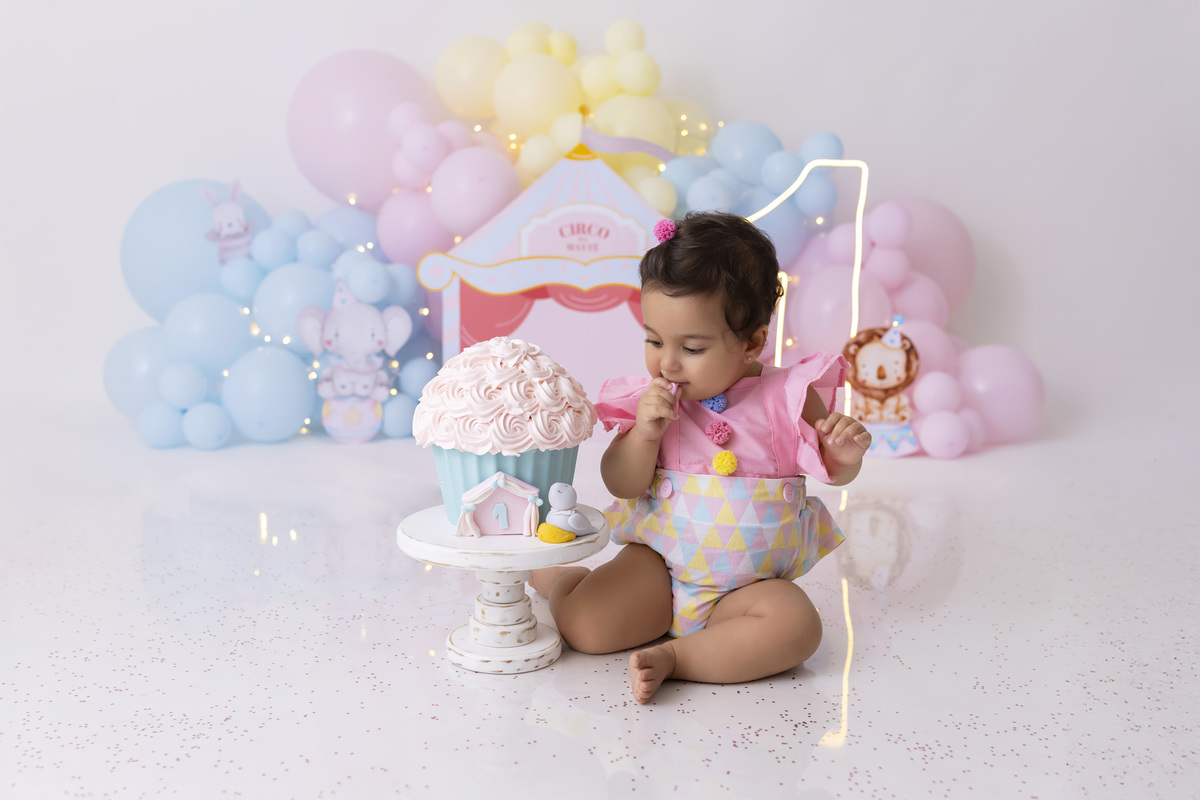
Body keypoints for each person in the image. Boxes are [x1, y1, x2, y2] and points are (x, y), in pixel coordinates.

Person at [530, 212, 871, 703]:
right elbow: (621, 483)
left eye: (691, 347)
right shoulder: (656, 403)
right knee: (587, 629)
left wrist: (844, 454)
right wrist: (644, 435)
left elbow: (833, 471)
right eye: (653, 340)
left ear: (752, 340)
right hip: (659, 570)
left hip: (748, 591)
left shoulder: (788, 396)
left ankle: (679, 658)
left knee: (798, 627)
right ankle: (563, 583)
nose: (667, 362)